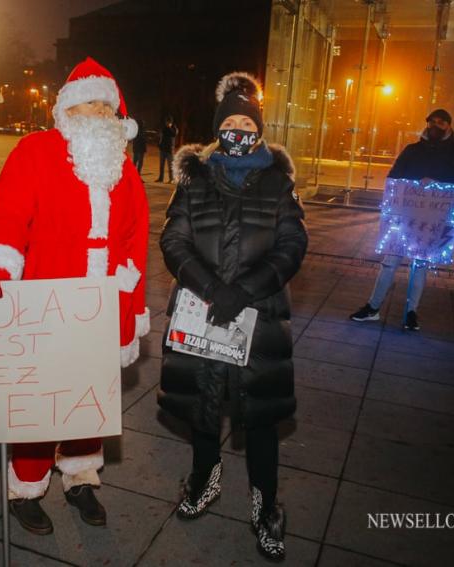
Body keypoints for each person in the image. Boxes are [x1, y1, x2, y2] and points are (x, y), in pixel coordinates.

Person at [0, 57, 149, 536]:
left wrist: (128, 309)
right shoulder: (35, 151)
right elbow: (7, 212)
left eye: (104, 106)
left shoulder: (124, 169)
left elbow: (134, 240)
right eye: (87, 103)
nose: (96, 113)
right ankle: (25, 487)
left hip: (100, 304)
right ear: (67, 109)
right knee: (39, 401)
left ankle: (80, 477)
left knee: (88, 399)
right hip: (45, 299)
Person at [158, 72, 307, 561]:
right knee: (203, 409)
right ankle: (205, 480)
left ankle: (266, 508)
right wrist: (210, 287)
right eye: (231, 122)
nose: (239, 129)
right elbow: (173, 239)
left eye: (248, 122)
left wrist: (244, 290)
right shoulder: (194, 177)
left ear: (259, 129)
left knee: (260, 420)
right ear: (219, 128)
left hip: (258, 319)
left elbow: (292, 245)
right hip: (201, 314)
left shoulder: (278, 181)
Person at [349, 108, 454, 331]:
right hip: (404, 220)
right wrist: (415, 184)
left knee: (420, 266)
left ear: (449, 126)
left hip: (432, 224)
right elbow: (394, 177)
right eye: (431, 122)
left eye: (441, 123)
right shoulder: (412, 150)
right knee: (389, 264)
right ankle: (373, 307)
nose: (435, 126)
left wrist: (434, 184)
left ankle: (411, 312)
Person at [156, 115, 178, 182]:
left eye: (168, 122)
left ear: (170, 122)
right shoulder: (164, 128)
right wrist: (159, 144)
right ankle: (161, 178)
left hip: (169, 150)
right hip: (163, 149)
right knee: (161, 165)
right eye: (166, 122)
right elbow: (161, 137)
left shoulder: (174, 128)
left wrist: (170, 127)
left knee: (170, 166)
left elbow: (174, 134)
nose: (166, 123)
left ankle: (171, 179)